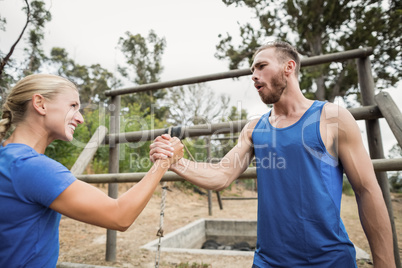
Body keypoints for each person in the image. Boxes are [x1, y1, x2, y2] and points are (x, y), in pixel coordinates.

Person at [150, 41, 395, 267]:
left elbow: (367, 191)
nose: (254, 75)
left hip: (329, 259)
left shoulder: (332, 117)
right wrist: (175, 161)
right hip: (269, 262)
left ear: (289, 67)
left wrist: (386, 264)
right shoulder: (255, 128)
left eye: (261, 66)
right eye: (251, 71)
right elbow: (221, 175)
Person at [0, 73, 184, 267]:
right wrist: (164, 162)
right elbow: (119, 216)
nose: (80, 119)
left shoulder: (8, 157)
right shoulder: (32, 167)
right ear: (40, 104)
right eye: (73, 106)